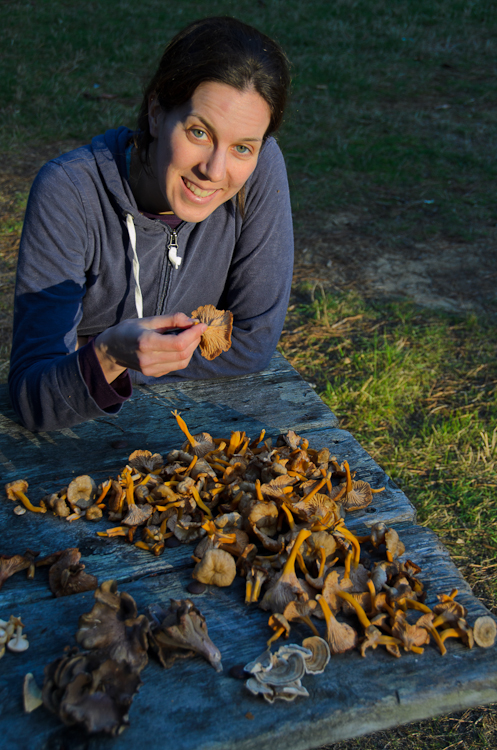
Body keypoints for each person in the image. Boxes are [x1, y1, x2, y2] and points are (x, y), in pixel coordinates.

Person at [9, 16, 293, 432]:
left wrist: (88, 354)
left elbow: (253, 344)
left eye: (242, 148)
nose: (215, 170)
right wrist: (109, 355)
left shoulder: (260, 169)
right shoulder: (68, 193)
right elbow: (36, 401)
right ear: (157, 113)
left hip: (192, 434)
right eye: (199, 132)